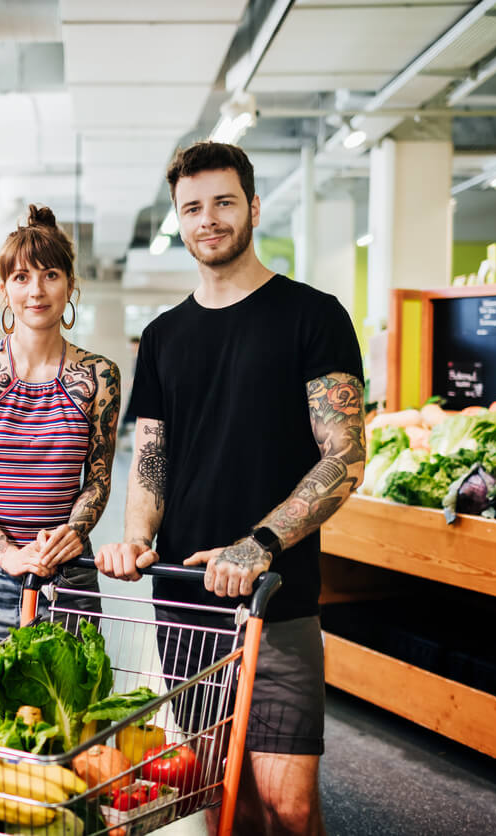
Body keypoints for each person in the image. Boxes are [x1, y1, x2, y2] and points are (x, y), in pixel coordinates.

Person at [96, 142, 365, 836]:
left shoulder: (314, 315)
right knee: (224, 797)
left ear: (252, 206)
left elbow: (345, 457)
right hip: (186, 601)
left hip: (278, 598)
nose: (207, 219)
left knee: (291, 806)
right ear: (179, 219)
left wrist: (259, 544)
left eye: (222, 202)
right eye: (192, 207)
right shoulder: (160, 337)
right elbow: (151, 461)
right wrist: (134, 539)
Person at [0, 204, 121, 703]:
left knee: (62, 746)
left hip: (67, 580)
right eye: (21, 277)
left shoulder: (99, 376)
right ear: (4, 288)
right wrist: (7, 552)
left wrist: (75, 531)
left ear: (70, 285)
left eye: (50, 275)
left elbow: (99, 478)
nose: (35, 290)